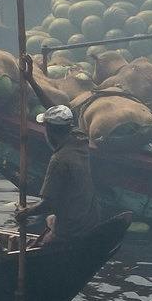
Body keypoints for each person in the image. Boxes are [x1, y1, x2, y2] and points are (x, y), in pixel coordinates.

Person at [18, 103, 100, 243]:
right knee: (50, 219)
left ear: (49, 131)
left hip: (73, 228)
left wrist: (24, 213)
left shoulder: (59, 160)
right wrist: (32, 82)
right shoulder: (81, 140)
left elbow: (48, 204)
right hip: (90, 219)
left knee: (44, 240)